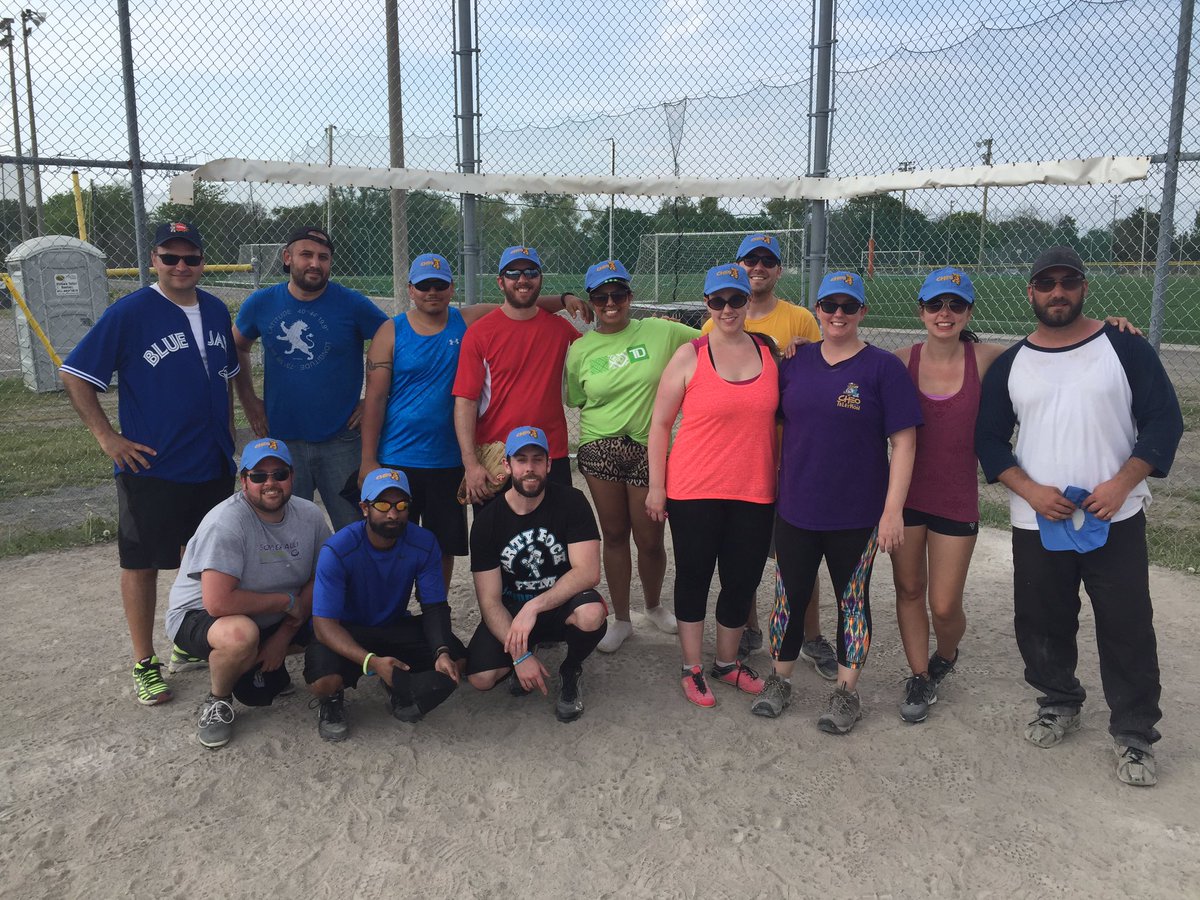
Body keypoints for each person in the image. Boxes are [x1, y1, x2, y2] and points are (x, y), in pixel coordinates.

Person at [893, 268, 1145, 725]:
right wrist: (799, 351)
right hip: (905, 498)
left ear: (969, 311)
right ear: (921, 311)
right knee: (909, 589)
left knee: (945, 605)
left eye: (955, 305)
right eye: (935, 305)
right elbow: (846, 362)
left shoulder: (992, 359)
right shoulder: (898, 361)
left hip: (954, 498)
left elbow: (1054, 352)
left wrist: (1113, 330)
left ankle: (945, 655)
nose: (944, 314)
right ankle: (918, 675)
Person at [976, 246, 1183, 787]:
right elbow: (990, 440)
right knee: (1042, 619)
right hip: (1038, 518)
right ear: (1031, 293)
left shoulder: (1124, 346)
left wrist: (1121, 483)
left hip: (1114, 514)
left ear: (1084, 287)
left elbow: (1163, 421)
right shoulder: (1013, 362)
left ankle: (1135, 732)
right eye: (1047, 283)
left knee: (1127, 624)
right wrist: (1030, 490)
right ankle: (1058, 699)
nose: (1058, 291)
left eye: (1069, 282)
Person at [59, 221, 239, 707]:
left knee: (205, 560)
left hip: (211, 460)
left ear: (204, 261)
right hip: (151, 464)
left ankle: (190, 640)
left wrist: (231, 432)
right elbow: (75, 375)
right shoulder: (132, 312)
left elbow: (224, 377)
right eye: (170, 257)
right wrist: (107, 437)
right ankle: (144, 661)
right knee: (141, 563)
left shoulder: (218, 310)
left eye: (191, 258)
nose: (181, 267)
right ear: (154, 259)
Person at [752, 271, 921, 734]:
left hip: (857, 512)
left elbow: (904, 443)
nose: (839, 315)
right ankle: (780, 678)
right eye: (830, 306)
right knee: (789, 595)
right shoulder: (797, 362)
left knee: (852, 600)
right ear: (817, 311)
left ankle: (846, 693)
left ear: (863, 312)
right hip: (797, 506)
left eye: (849, 307)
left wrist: (892, 511)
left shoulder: (882, 368)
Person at [360, 253, 590, 588]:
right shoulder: (391, 331)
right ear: (410, 289)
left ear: (452, 288)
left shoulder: (466, 320)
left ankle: (435, 614)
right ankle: (389, 613)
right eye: (424, 285)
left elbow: (522, 300)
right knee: (391, 535)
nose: (432, 291)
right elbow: (376, 398)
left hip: (447, 458)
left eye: (440, 285)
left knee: (443, 545)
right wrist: (368, 458)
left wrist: (567, 298)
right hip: (399, 453)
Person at [701, 233, 831, 674]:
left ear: (778, 270)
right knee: (746, 552)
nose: (759, 267)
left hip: (791, 455)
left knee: (800, 554)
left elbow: (825, 371)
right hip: (740, 458)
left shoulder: (798, 319)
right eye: (750, 259)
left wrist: (801, 355)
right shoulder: (713, 322)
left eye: (767, 260)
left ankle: (811, 636)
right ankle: (749, 628)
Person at [647, 264, 776, 707]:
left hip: (754, 489)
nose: (727, 309)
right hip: (694, 489)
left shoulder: (769, 352)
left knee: (741, 579)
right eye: (717, 300)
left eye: (736, 299)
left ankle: (725, 664)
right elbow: (660, 425)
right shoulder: (691, 355)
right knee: (695, 577)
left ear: (747, 302)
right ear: (706, 303)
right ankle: (691, 667)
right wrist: (656, 487)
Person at [164, 438, 332, 749]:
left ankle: (269, 666)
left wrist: (283, 637)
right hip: (202, 616)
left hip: (274, 617)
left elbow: (320, 579)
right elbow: (218, 602)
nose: (271, 483)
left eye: (279, 474)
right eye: (258, 476)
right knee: (241, 637)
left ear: (292, 476)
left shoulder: (309, 515)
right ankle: (217, 700)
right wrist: (286, 602)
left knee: (339, 614)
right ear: (244, 481)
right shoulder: (226, 522)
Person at [564, 258, 696, 652]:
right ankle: (621, 618)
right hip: (600, 444)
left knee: (651, 536)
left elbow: (712, 336)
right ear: (591, 300)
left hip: (647, 447)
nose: (610, 302)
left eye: (618, 294)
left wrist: (774, 342)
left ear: (629, 296)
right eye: (601, 296)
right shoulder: (581, 349)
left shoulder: (659, 330)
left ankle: (653, 605)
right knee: (615, 534)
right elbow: (577, 397)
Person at [233, 226, 388, 530]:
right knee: (285, 528)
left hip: (342, 438)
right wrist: (250, 401)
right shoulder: (261, 303)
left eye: (323, 257)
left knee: (354, 527)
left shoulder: (351, 304)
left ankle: (350, 579)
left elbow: (394, 343)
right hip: (282, 438)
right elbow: (237, 346)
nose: (315, 263)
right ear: (288, 257)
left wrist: (372, 400)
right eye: (306, 255)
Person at [304, 467, 468, 741]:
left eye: (401, 505)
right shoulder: (337, 549)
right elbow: (323, 626)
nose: (393, 513)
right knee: (324, 682)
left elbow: (434, 605)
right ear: (364, 508)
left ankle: (397, 683)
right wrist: (371, 661)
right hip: (348, 630)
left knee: (457, 660)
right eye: (382, 505)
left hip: (394, 625)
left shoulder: (424, 542)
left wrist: (440, 651)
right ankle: (334, 702)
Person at [465, 426, 607, 722]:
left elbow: (589, 572)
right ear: (507, 465)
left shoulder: (572, 501)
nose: (530, 468)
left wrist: (535, 606)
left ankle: (570, 669)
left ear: (549, 464)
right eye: (521, 460)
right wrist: (519, 656)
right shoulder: (487, 521)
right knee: (481, 678)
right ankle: (526, 651)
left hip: (558, 604)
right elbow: (490, 601)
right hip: (512, 611)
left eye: (537, 459)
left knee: (592, 614)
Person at [453, 247, 582, 505]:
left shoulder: (560, 329)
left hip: (549, 452)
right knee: (496, 540)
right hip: (498, 454)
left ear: (540, 279)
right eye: (513, 273)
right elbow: (465, 402)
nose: (523, 279)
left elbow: (601, 351)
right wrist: (471, 464)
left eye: (531, 272)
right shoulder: (480, 333)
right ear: (501, 282)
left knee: (554, 539)